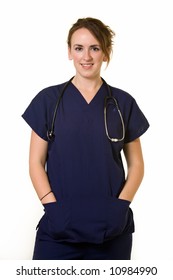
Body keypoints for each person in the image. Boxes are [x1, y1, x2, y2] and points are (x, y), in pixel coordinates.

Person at [22, 17, 149, 260]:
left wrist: (120, 207)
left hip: (111, 230)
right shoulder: (48, 101)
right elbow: (35, 162)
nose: (86, 57)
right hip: (59, 228)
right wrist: (52, 207)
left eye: (95, 48)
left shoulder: (123, 103)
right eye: (79, 48)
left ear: (106, 52)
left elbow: (137, 165)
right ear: (69, 52)